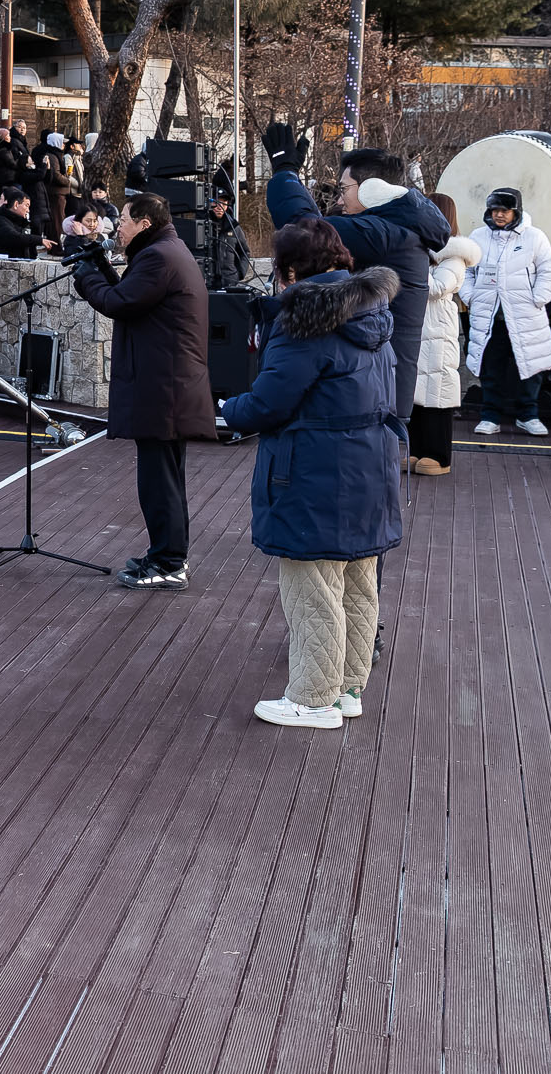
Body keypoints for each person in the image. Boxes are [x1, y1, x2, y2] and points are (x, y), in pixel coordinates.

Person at [218, 218, 403, 729]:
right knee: (358, 582)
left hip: (315, 468)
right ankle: (347, 690)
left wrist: (226, 407)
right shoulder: (372, 310)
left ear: (290, 272)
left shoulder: (304, 320)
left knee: (312, 586)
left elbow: (269, 403)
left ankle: (313, 698)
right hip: (371, 465)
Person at [70, 193, 216, 590]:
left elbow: (118, 301)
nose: (118, 227)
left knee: (159, 481)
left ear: (144, 224)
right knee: (164, 478)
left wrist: (85, 275)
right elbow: (133, 295)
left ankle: (170, 562)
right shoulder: (165, 251)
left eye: (125, 221)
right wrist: (98, 263)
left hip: (163, 389)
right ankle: (165, 554)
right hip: (167, 386)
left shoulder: (158, 257)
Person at [261, 127, 450, 423]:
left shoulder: (385, 234)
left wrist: (285, 173)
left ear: (372, 190)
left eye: (344, 189)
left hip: (371, 396)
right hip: (376, 391)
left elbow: (307, 229)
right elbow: (321, 227)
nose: (340, 199)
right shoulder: (396, 228)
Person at [465, 186, 551, 437]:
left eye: (505, 210)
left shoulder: (533, 237)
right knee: (490, 368)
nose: (499, 215)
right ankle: (489, 416)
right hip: (489, 317)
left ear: (515, 211)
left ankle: (528, 415)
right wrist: (470, 296)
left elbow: (550, 268)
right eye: (495, 210)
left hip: (525, 316)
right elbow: (466, 269)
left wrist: (538, 298)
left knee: (529, 368)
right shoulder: (478, 236)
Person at [413, 193, 475, 476]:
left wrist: (412, 263)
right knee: (415, 390)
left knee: (437, 389)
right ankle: (415, 450)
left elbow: (437, 288)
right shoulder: (423, 251)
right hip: (418, 327)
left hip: (438, 328)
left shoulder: (454, 255)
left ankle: (439, 455)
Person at [0, 189, 51, 259]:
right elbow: (14, 237)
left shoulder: (20, 223)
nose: (28, 210)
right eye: (26, 205)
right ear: (16, 205)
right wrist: (39, 240)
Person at [205, 192, 252, 289]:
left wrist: (239, 273)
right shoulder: (201, 226)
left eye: (223, 203)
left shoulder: (234, 227)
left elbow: (245, 252)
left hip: (230, 283)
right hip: (206, 283)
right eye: (217, 202)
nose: (220, 207)